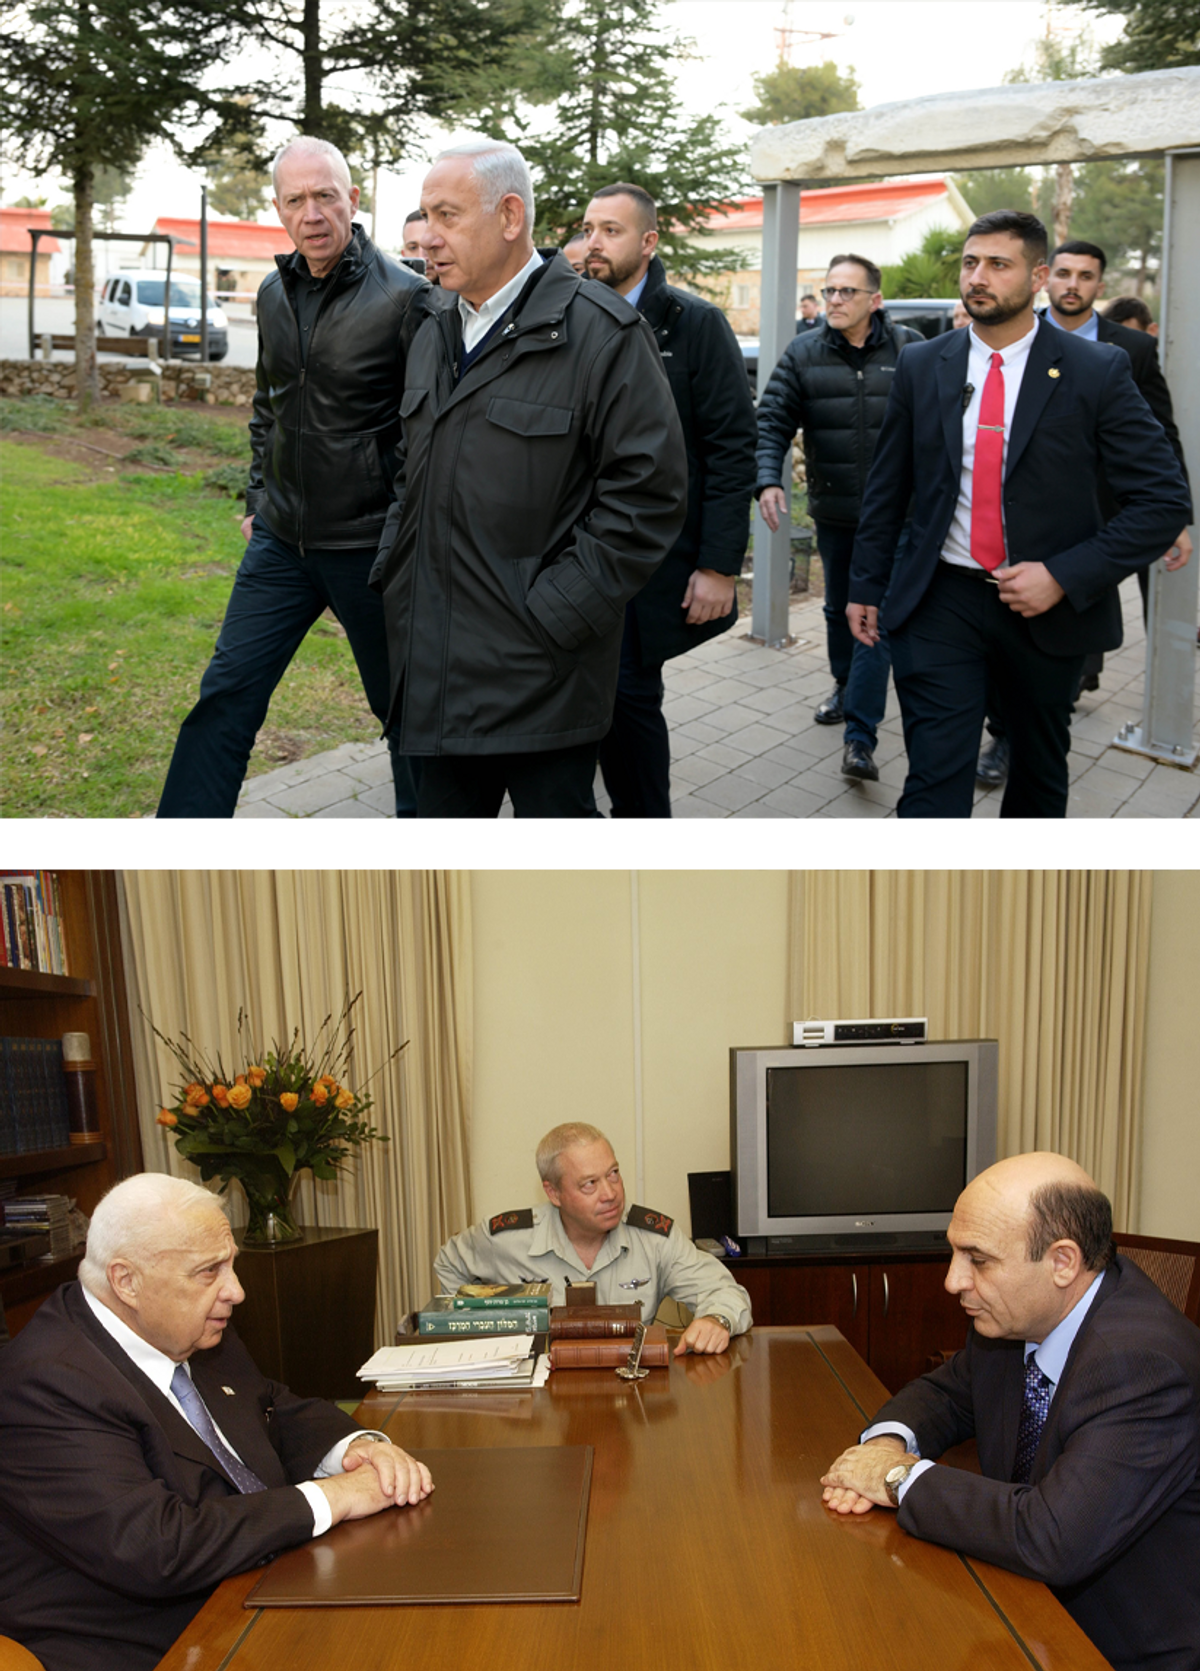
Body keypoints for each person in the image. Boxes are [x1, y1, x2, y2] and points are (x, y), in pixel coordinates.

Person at [368, 139, 687, 821]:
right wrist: (394, 568)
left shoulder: (600, 334)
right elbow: (412, 467)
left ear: (510, 216)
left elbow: (648, 495)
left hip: (544, 680)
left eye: (448, 215)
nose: (427, 236)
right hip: (438, 675)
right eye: (425, 216)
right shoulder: (431, 325)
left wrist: (556, 612)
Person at [0, 1174, 433, 1671]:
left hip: (257, 1587)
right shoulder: (47, 1385)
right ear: (126, 1281)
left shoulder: (186, 1327)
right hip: (152, 1641)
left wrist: (356, 1447)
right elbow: (158, 1548)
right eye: (209, 1272)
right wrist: (335, 1496)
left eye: (231, 1264)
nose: (237, 1291)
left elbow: (268, 1404)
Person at [846, 209, 1192, 821]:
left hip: (1047, 610)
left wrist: (1063, 574)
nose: (978, 277)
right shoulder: (926, 363)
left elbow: (1163, 501)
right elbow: (888, 485)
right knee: (933, 774)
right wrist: (866, 584)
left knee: (1036, 775)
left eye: (997, 265)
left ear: (1036, 278)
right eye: (970, 262)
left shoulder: (1096, 370)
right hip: (940, 598)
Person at [820, 1152, 1200, 1671]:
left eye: (978, 1260)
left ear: (1062, 1262)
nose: (954, 1281)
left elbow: (1052, 1536)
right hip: (1018, 1608)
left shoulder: (1141, 1367)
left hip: (1115, 1647)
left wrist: (894, 1477)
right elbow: (948, 1395)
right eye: (954, 1253)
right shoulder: (1018, 1316)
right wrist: (887, 1443)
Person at [157, 138, 426, 822]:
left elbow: (425, 438)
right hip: (279, 543)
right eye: (297, 199)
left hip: (369, 549)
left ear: (353, 198)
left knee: (406, 714)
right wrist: (257, 496)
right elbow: (267, 406)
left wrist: (396, 537)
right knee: (225, 695)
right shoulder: (273, 293)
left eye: (325, 195)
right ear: (277, 209)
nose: (313, 213)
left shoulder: (409, 300)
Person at [976, 236, 1191, 788]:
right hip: (1013, 524)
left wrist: (1178, 521)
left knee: (1064, 642)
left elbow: (1160, 438)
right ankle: (1005, 735)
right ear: (1046, 278)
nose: (1072, 285)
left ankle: (1053, 711)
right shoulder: (1002, 337)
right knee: (1012, 646)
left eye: (1085, 276)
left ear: (1100, 285)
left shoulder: (1127, 352)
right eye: (1064, 274)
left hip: (1097, 521)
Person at [581, 182, 757, 820]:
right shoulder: (569, 312)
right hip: (574, 555)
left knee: (628, 703)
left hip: (649, 561)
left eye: (612, 230)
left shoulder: (695, 324)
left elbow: (733, 449)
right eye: (589, 227)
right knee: (577, 705)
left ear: (649, 242)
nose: (594, 242)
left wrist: (717, 565)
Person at [756, 254, 923, 781]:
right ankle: (845, 684)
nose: (834, 300)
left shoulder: (911, 349)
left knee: (874, 616)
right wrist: (767, 479)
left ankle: (859, 736)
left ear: (875, 300)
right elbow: (773, 418)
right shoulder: (804, 353)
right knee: (836, 609)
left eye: (847, 292)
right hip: (837, 511)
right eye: (829, 291)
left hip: (900, 516)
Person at [435, 1122, 752, 1355]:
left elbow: (723, 1289)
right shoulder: (507, 1238)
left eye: (613, 1173)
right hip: (540, 1406)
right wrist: (484, 1333)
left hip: (629, 1394)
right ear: (554, 1192)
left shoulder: (653, 1238)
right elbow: (449, 1263)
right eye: (589, 1184)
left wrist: (716, 1319)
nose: (610, 1194)